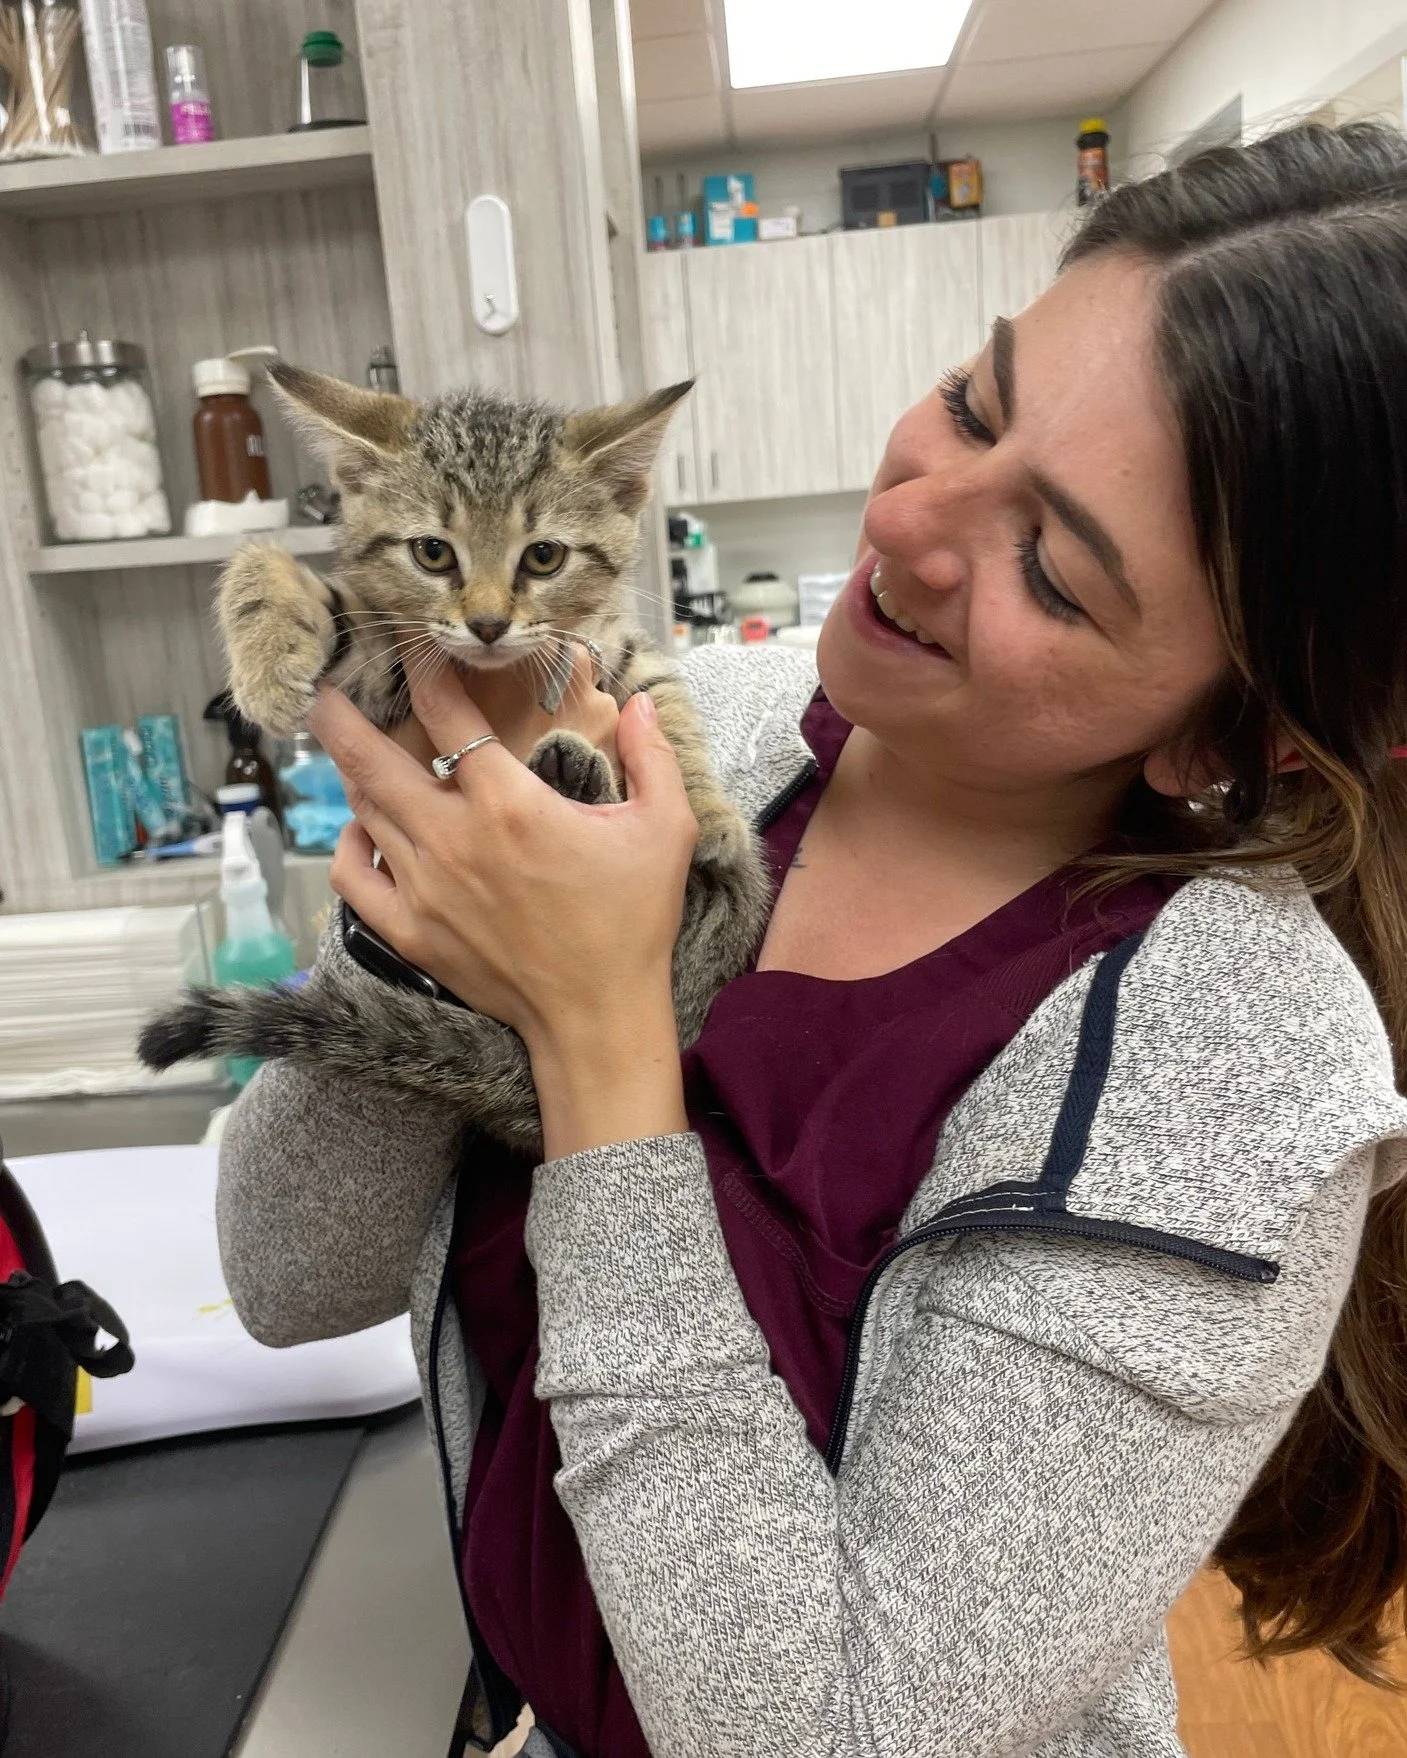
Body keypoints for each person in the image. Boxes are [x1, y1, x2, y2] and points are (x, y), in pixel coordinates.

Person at [217, 121, 1407, 1758]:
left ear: (1222, 738)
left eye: (1051, 569)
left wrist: (593, 1034)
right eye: (971, 403)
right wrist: (422, 932)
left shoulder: (1236, 1061)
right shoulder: (705, 732)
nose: (911, 519)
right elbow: (291, 1276)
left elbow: (819, 1733)